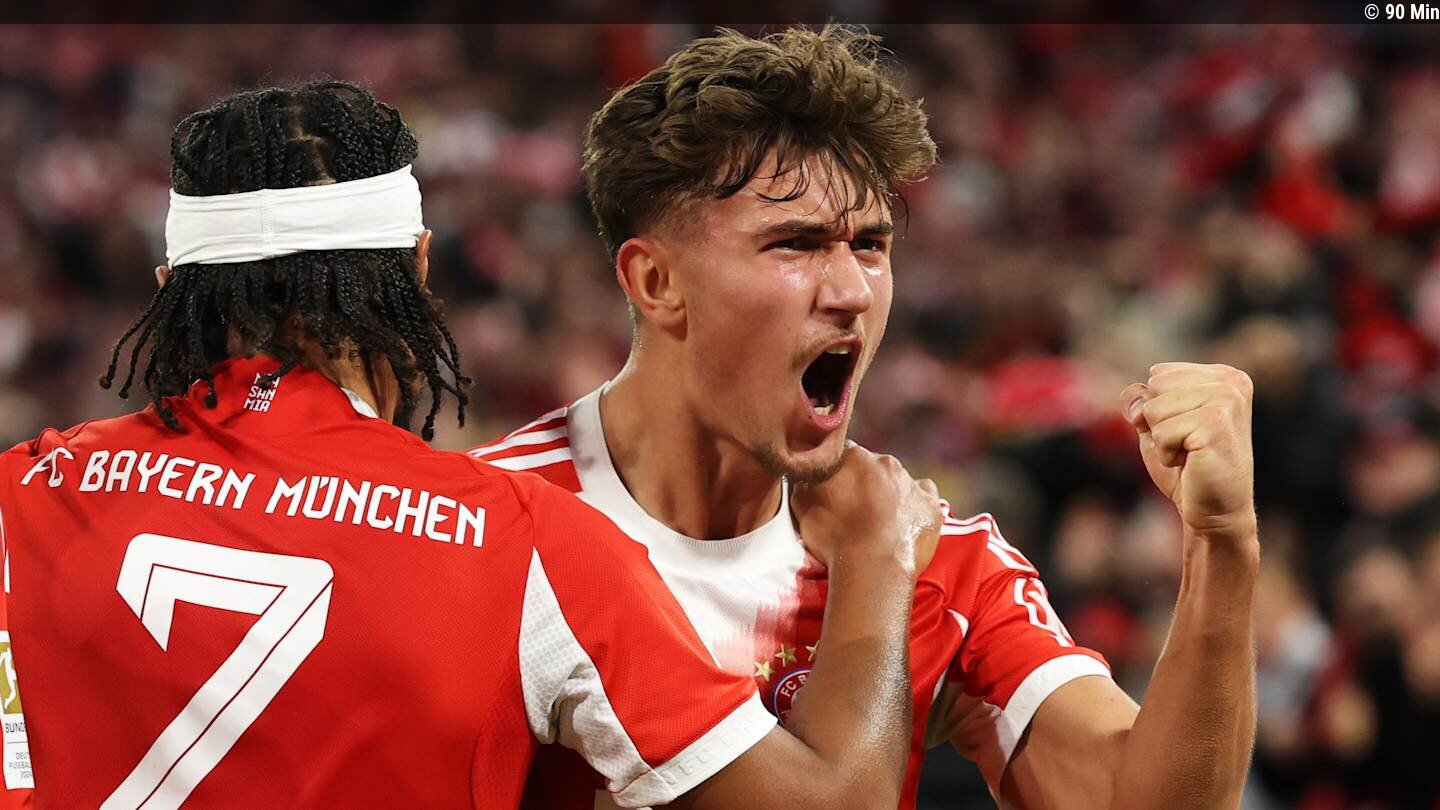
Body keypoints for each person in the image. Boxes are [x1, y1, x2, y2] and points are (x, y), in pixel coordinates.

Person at [0, 81, 939, 809]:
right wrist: (876, 555)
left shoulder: (24, 493)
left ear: (171, 285)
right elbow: (831, 801)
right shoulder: (524, 541)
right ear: (417, 269)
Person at [471, 26, 1260, 810]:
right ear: (656, 281)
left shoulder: (933, 558)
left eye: (872, 245)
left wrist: (1222, 543)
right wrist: (876, 566)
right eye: (795, 244)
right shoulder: (483, 533)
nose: (851, 291)